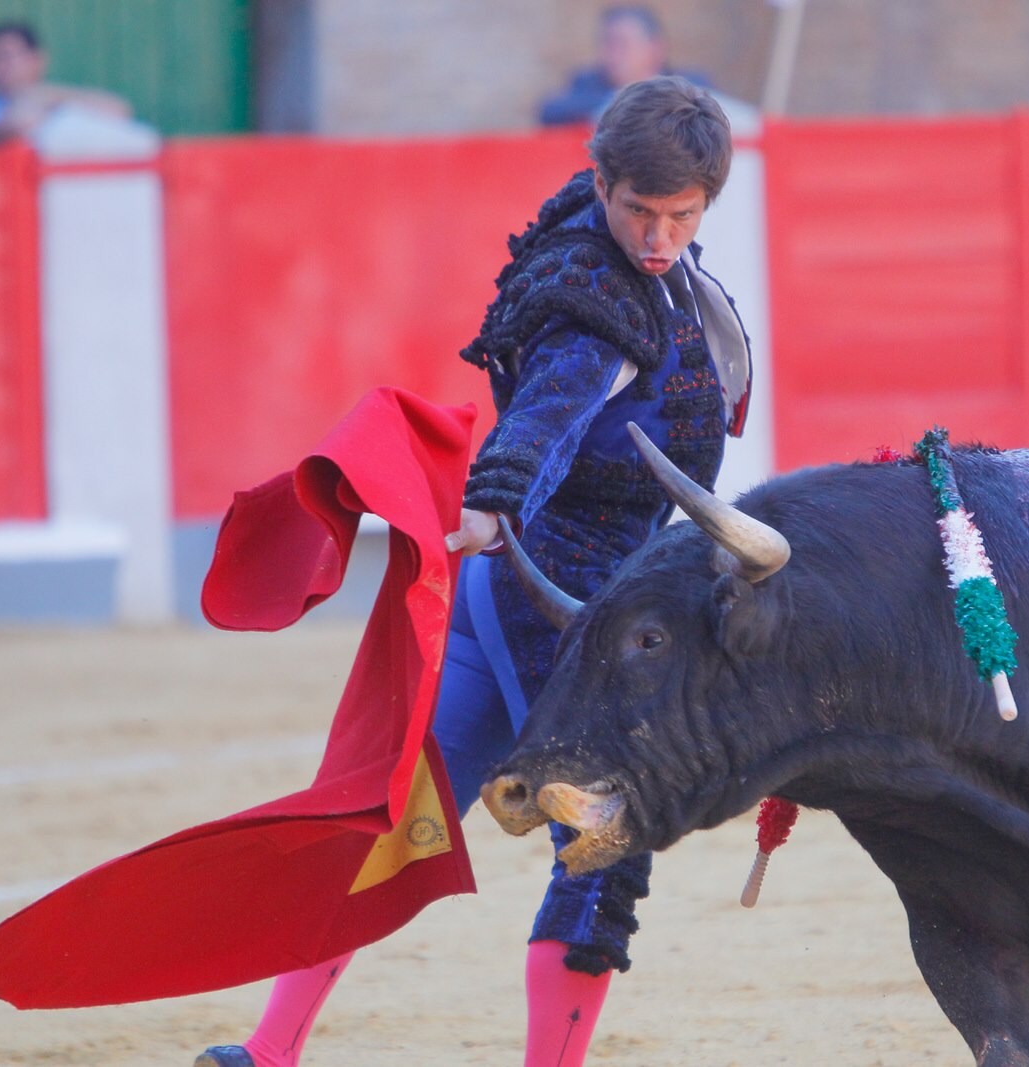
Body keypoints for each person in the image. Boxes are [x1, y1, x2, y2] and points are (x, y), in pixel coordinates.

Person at [196, 74, 750, 1067]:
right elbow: (544, 414)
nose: (660, 236)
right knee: (604, 836)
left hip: (519, 596)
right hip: (562, 604)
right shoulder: (597, 309)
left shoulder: (621, 257)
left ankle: (267, 1047)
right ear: (601, 182)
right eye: (640, 211)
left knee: (398, 816)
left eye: (683, 215)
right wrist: (495, 497)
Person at [0, 20, 131, 148]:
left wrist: (48, 96)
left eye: (5, 57)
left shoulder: (52, 98)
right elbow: (15, 128)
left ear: (37, 60)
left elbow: (120, 111)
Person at [538, 6, 711, 126]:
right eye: (607, 43)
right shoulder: (587, 83)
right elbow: (551, 112)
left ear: (655, 48)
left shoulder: (689, 86)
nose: (611, 54)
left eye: (622, 44)